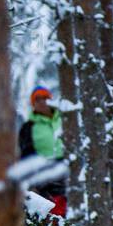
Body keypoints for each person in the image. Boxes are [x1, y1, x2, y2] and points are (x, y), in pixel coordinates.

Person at [17, 86, 68, 217]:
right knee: (54, 210)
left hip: (68, 168)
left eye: (45, 97)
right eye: (37, 99)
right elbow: (26, 156)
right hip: (45, 175)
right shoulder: (28, 127)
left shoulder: (65, 119)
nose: (42, 101)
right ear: (33, 104)